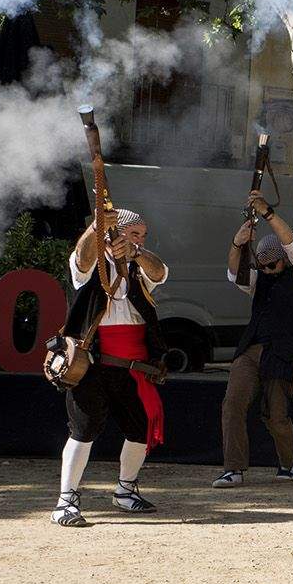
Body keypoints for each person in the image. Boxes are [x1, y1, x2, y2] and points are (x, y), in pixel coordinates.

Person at [51, 209, 169, 527]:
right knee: (83, 431)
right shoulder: (92, 266)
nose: (139, 240)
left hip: (132, 367)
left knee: (138, 430)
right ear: (114, 233)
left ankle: (125, 490)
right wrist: (96, 228)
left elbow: (159, 272)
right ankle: (66, 501)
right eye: (134, 234)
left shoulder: (139, 267)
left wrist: (135, 251)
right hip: (91, 364)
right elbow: (82, 259)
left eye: (143, 235)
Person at [213, 190, 293, 487]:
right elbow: (235, 272)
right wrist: (237, 242)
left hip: (285, 353)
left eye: (273, 264)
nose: (268, 270)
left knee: (276, 416)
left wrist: (268, 213)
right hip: (252, 349)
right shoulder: (259, 278)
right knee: (232, 404)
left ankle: (289, 462)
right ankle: (233, 469)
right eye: (263, 265)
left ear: (284, 260)